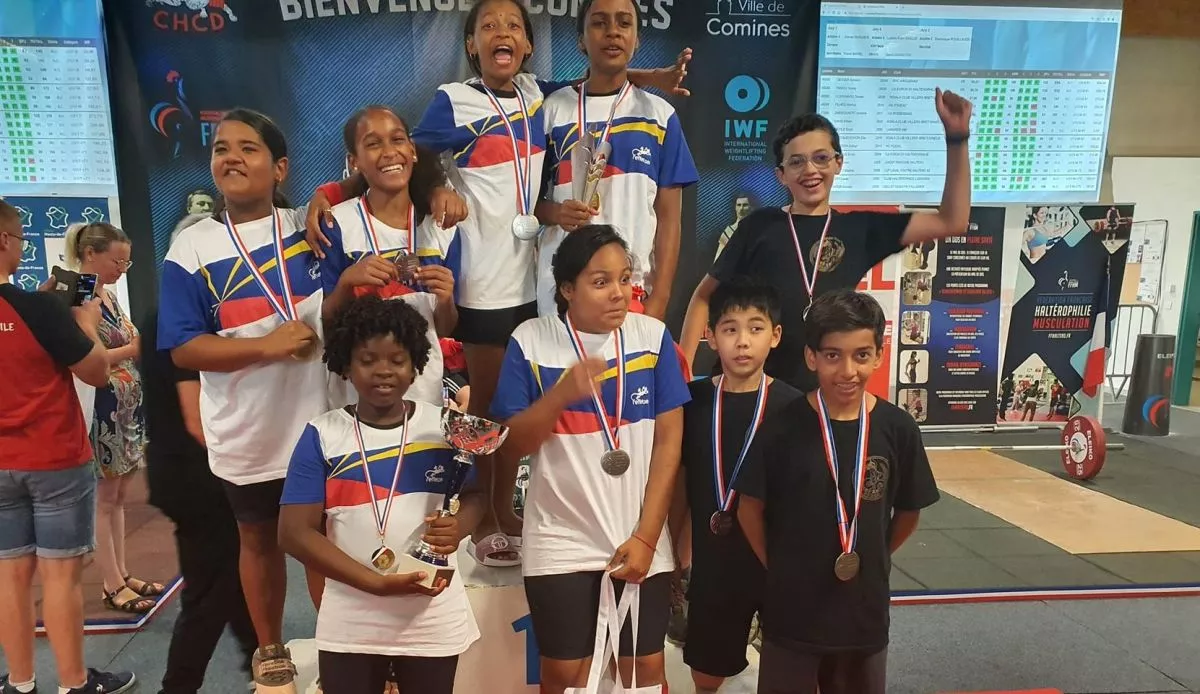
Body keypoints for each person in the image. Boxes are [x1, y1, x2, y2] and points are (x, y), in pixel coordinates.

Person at [307, 0, 691, 566]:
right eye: (488, 26)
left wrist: (650, 77)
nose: (501, 33)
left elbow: (601, 77)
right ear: (471, 44)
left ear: (530, 46)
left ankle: (525, 511)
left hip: (535, 281)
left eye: (513, 25)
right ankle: (486, 514)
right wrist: (336, 192)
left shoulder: (540, 95)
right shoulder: (453, 100)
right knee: (488, 412)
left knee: (543, 407)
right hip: (483, 283)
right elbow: (402, 157)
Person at [158, 108, 329, 692]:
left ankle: (339, 642)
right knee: (257, 540)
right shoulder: (191, 248)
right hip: (246, 428)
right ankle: (270, 646)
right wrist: (267, 347)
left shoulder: (310, 228)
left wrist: (330, 195)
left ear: (280, 168)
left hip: (318, 420)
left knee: (321, 541)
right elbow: (183, 347)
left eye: (248, 148)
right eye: (221, 148)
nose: (231, 157)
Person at [490, 224, 689, 694]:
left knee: (643, 673)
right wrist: (561, 395)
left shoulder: (652, 338)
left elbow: (669, 446)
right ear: (566, 289)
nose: (619, 293)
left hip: (638, 533)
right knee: (565, 676)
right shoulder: (532, 340)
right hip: (561, 537)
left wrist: (647, 537)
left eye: (624, 278)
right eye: (601, 282)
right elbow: (513, 443)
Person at [680, 90, 974, 392]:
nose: (810, 170)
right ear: (781, 175)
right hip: (751, 390)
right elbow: (704, 296)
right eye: (796, 162)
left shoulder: (860, 229)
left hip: (821, 395)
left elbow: (952, 220)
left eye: (821, 158)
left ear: (838, 163)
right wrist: (682, 374)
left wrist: (957, 138)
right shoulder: (759, 225)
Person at [735, 290, 939, 694]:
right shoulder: (781, 427)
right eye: (833, 355)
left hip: (862, 611)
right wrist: (780, 566)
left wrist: (875, 555)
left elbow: (909, 511)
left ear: (878, 355)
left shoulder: (897, 429)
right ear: (811, 357)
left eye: (861, 355)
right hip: (793, 612)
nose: (848, 371)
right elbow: (748, 509)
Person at [278, 296, 484, 694]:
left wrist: (459, 526)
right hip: (352, 616)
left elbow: (476, 494)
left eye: (397, 359)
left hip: (430, 614)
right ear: (346, 366)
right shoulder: (322, 435)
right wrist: (372, 583)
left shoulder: (444, 427)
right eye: (367, 360)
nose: (383, 370)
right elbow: (293, 533)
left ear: (416, 365)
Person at [0, 199, 136, 694]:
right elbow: (96, 370)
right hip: (54, 457)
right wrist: (83, 325)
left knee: (10, 577)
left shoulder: (38, 305)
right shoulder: (37, 308)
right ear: (4, 241)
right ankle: (74, 682)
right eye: (20, 239)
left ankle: (20, 682)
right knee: (60, 578)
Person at [668, 277, 801, 694]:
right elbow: (680, 484)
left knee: (790, 671)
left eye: (755, 328)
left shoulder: (795, 407)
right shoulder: (691, 403)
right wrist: (674, 552)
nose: (742, 341)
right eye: (730, 329)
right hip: (714, 563)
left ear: (775, 336)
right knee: (706, 676)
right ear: (710, 336)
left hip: (777, 563)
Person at [537, 0, 699, 323]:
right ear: (581, 40)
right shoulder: (551, 110)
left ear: (637, 39)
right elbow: (528, 202)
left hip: (630, 293)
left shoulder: (659, 116)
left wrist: (660, 299)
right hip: (560, 292)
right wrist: (557, 213)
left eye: (624, 23)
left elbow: (669, 219)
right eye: (599, 23)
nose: (612, 32)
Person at [318, 105, 460, 407]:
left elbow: (444, 327)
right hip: (356, 395)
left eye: (397, 140)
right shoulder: (336, 224)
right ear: (354, 162)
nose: (389, 152)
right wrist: (346, 283)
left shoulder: (442, 226)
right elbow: (325, 321)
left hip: (424, 391)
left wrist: (446, 299)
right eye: (373, 144)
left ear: (413, 151)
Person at [63, 222, 161, 615]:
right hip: (101, 405)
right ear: (90, 254)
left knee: (118, 496)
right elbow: (89, 355)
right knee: (105, 499)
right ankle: (111, 583)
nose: (122, 269)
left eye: (126, 262)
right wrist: (135, 350)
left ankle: (122, 572)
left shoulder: (108, 293)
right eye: (117, 261)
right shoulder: (79, 293)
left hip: (125, 407)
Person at [714, 194, 753, 261]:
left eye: (745, 205)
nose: (741, 208)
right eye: (739, 205)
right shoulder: (728, 232)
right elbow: (717, 260)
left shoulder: (756, 231)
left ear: (750, 207)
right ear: (735, 207)